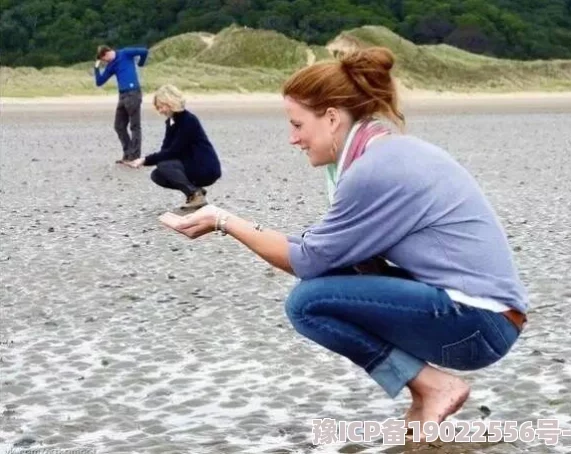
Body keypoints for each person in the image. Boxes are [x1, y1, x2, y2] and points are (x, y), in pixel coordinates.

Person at [157, 47, 529, 436]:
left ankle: (434, 385)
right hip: (484, 318)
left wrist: (222, 219)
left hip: (479, 325)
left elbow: (307, 261)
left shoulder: (374, 169)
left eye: (297, 124)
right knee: (330, 282)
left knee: (307, 302)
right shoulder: (380, 151)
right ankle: (426, 393)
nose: (292, 139)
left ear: (332, 118)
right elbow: (326, 253)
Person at [125, 85, 222, 210]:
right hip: (191, 165)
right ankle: (195, 192)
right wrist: (145, 161)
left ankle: (195, 194)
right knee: (157, 175)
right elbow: (165, 150)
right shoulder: (171, 122)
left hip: (205, 168)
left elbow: (174, 151)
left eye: (161, 106)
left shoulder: (188, 120)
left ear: (171, 102)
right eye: (157, 108)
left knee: (164, 165)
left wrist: (144, 159)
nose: (160, 111)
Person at [94, 44, 149, 163]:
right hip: (122, 96)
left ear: (106, 54)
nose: (105, 62)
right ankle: (128, 152)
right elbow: (99, 82)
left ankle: (134, 156)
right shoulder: (111, 65)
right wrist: (96, 68)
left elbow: (144, 51)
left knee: (135, 126)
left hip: (133, 93)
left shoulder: (125, 53)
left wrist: (141, 63)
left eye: (103, 60)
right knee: (118, 126)